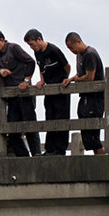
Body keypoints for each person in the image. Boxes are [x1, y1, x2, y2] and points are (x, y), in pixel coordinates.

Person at [0, 30, 41, 157]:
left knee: (30, 125)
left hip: (24, 92)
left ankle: (37, 154)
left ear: (2, 40)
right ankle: (23, 157)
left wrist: (26, 80)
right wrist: (1, 71)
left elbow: (31, 62)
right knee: (11, 129)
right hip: (10, 95)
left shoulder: (14, 48)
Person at [25, 28, 71, 156]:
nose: (31, 47)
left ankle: (60, 150)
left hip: (60, 89)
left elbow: (67, 66)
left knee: (61, 118)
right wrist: (42, 80)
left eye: (32, 44)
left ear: (39, 39)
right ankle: (49, 149)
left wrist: (63, 79)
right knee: (49, 116)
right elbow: (41, 67)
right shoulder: (37, 53)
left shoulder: (53, 50)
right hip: (49, 89)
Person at [62, 32, 106, 154]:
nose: (71, 50)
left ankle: (101, 162)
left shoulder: (90, 54)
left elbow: (89, 77)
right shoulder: (80, 56)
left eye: (71, 47)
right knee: (86, 132)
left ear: (78, 42)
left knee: (93, 136)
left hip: (95, 98)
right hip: (85, 97)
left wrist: (76, 79)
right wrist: (71, 79)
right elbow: (81, 74)